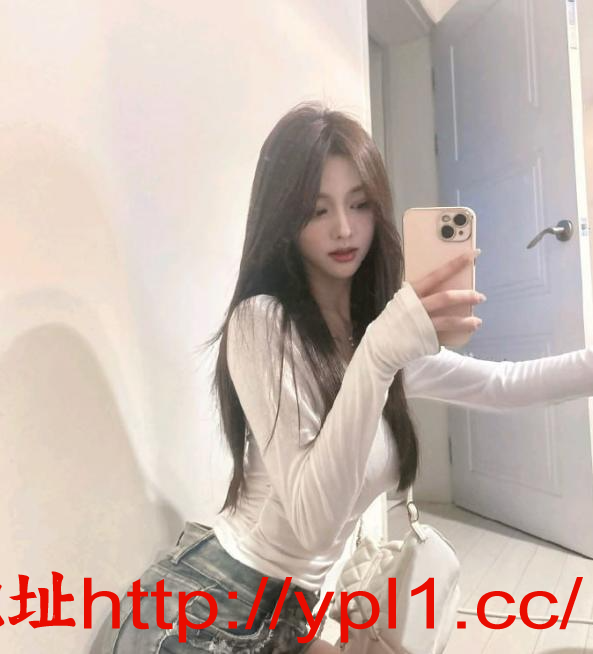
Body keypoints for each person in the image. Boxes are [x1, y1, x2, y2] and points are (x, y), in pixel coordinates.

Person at [101, 102, 593, 653]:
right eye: (318, 210)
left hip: (287, 616)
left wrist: (382, 348)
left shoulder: (375, 335)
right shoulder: (263, 322)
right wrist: (380, 354)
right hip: (210, 607)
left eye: (359, 205)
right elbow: (313, 523)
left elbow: (504, 385)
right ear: (285, 220)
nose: (343, 228)